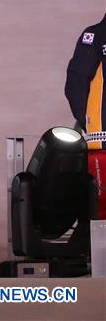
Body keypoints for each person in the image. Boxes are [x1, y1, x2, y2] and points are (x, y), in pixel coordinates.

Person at [65, 12, 106, 218]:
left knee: (102, 215)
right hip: (103, 145)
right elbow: (76, 86)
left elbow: (75, 85)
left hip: (101, 141)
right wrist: (89, 123)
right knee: (102, 214)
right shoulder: (96, 36)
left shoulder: (95, 35)